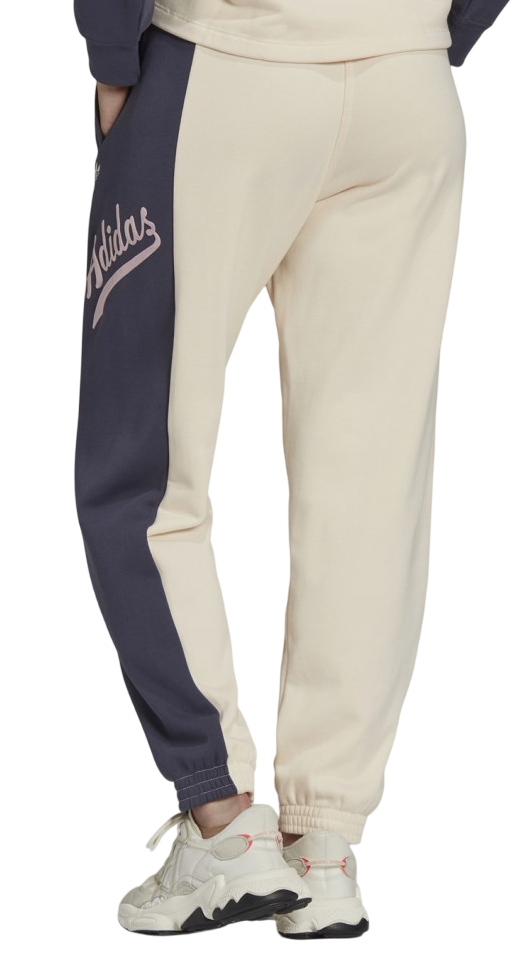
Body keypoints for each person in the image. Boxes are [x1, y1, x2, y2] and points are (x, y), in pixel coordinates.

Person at [73, 0, 510, 940]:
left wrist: (110, 49)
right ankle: (327, 842)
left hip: (223, 60)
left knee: (141, 468)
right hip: (408, 81)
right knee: (370, 477)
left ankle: (224, 824)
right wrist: (435, 32)